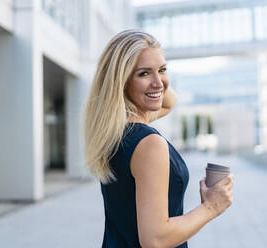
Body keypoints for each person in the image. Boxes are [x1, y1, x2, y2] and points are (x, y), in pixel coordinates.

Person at [82, 30, 234, 248]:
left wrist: (156, 76)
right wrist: (211, 207)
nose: (158, 82)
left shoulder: (113, 132)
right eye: (143, 74)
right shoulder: (149, 144)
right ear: (121, 82)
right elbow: (155, 239)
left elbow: (169, 102)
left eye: (163, 69)